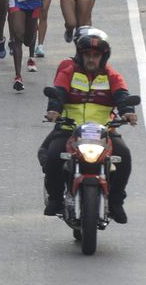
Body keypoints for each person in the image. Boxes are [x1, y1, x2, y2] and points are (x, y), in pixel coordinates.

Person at [40, 28, 136, 222]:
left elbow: (123, 97)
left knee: (124, 156)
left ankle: (117, 201)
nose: (91, 59)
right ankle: (55, 199)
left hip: (104, 132)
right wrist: (54, 111)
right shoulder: (68, 73)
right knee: (51, 156)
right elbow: (58, 94)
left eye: (96, 56)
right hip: (69, 130)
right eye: (87, 55)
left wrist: (128, 112)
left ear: (103, 57)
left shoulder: (113, 77)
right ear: (80, 56)